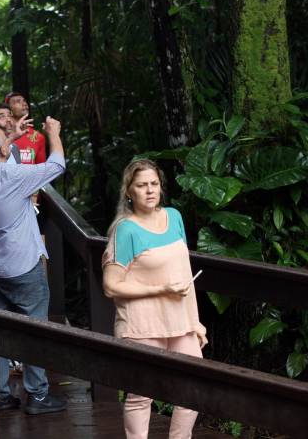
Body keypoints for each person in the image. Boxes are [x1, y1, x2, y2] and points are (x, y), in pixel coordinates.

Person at [0, 118, 67, 415]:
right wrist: (53, 134)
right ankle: (38, 395)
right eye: (5, 141)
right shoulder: (13, 175)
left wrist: (8, 138)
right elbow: (57, 164)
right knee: (35, 330)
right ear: (4, 151)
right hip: (21, 266)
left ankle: (0, 394)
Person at [102, 159, 207, 439]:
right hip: (141, 325)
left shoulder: (174, 217)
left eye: (154, 184)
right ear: (129, 191)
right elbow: (111, 286)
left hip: (180, 322)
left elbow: (184, 274)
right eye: (141, 185)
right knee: (140, 396)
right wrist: (161, 289)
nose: (149, 190)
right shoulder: (126, 230)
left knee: (194, 389)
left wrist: (195, 322)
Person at [5, 92, 46, 165]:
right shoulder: (1, 133)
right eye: (18, 101)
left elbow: (41, 169)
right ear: (8, 110)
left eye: (24, 101)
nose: (24, 104)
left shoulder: (38, 136)